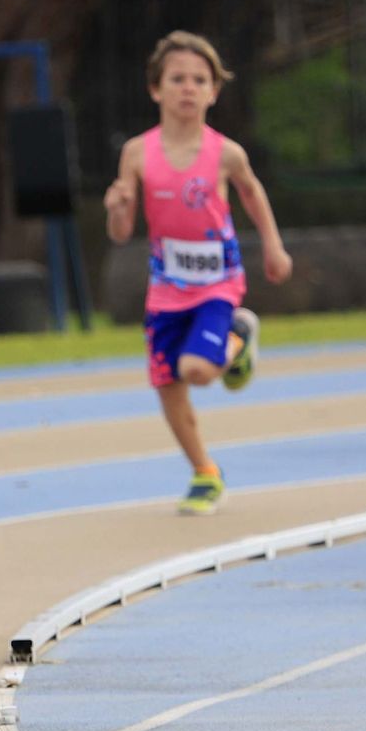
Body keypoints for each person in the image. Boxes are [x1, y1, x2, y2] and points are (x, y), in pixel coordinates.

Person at [103, 31, 292, 516]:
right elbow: (122, 232)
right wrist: (117, 208)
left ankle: (238, 336)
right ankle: (205, 472)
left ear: (213, 92)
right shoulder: (137, 154)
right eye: (177, 79)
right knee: (168, 384)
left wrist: (272, 246)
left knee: (198, 371)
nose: (188, 88)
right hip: (167, 288)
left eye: (199, 80)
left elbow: (251, 193)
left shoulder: (225, 154)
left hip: (216, 284)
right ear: (155, 89)